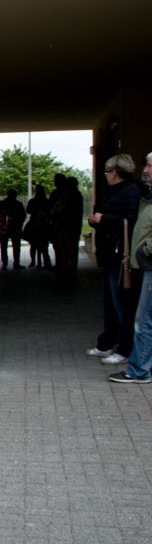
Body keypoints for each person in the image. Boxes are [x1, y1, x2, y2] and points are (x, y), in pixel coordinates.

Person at [87, 154, 141, 366]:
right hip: (111, 254)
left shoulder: (131, 192)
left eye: (108, 171)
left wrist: (104, 219)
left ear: (115, 173)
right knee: (110, 302)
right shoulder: (116, 191)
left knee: (122, 304)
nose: (106, 175)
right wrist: (96, 221)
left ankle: (125, 348)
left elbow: (132, 222)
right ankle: (108, 342)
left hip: (121, 257)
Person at [110, 152, 152, 384]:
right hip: (146, 265)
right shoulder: (147, 196)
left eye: (149, 166)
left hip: (150, 265)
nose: (145, 170)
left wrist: (145, 250)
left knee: (144, 320)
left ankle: (139, 370)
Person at [0, 188, 26, 269]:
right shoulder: (18, 204)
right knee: (16, 246)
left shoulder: (2, 203)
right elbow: (23, 216)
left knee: (4, 246)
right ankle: (16, 263)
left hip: (4, 228)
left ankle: (4, 263)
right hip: (15, 228)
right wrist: (20, 224)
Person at [25, 184, 52, 268]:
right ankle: (46, 262)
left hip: (34, 224)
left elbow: (28, 210)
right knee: (44, 245)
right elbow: (50, 212)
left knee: (33, 244)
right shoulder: (47, 201)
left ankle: (34, 261)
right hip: (44, 225)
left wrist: (35, 212)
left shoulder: (32, 201)